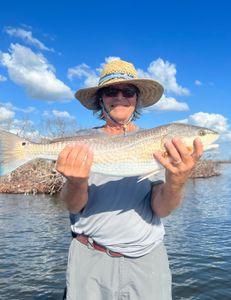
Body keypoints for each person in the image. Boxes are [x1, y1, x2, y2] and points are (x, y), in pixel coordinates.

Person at [56, 59, 203, 300]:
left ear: (136, 99)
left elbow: (161, 209)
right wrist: (76, 182)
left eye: (129, 92)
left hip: (147, 262)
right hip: (90, 258)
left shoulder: (158, 142)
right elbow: (73, 206)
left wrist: (177, 179)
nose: (120, 97)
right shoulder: (81, 141)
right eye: (111, 91)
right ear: (100, 99)